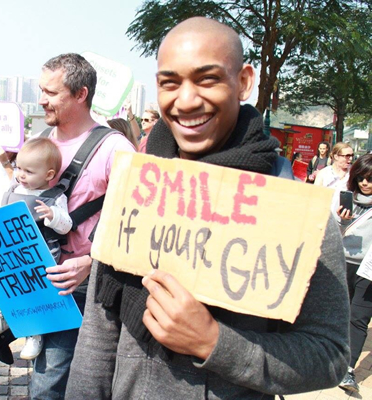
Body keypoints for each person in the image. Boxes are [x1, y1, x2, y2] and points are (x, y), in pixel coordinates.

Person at [66, 17, 349, 399]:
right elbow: (97, 341)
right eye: (170, 83)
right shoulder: (134, 191)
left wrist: (214, 342)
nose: (186, 100)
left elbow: (329, 355)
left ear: (244, 81)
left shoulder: (295, 213)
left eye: (207, 79)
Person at [30, 53, 136, 399]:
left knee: (49, 384)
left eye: (51, 92)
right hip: (40, 280)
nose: (41, 99)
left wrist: (91, 264)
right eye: (41, 90)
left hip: (83, 285)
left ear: (81, 94)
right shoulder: (41, 139)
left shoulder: (115, 149)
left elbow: (137, 225)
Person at [0, 137, 73, 361]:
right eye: (18, 168)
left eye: (29, 171)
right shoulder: (13, 189)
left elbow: (66, 226)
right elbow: (2, 212)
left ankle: (34, 333)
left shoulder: (55, 197)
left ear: (49, 175)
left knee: (34, 295)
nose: (21, 175)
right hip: (13, 251)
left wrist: (53, 216)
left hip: (40, 255)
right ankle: (2, 315)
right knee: (4, 284)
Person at [332, 154, 372, 393]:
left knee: (359, 317)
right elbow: (329, 231)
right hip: (343, 261)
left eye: (370, 179)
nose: (365, 183)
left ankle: (347, 369)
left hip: (369, 269)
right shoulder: (343, 197)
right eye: (361, 178)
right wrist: (341, 221)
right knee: (338, 311)